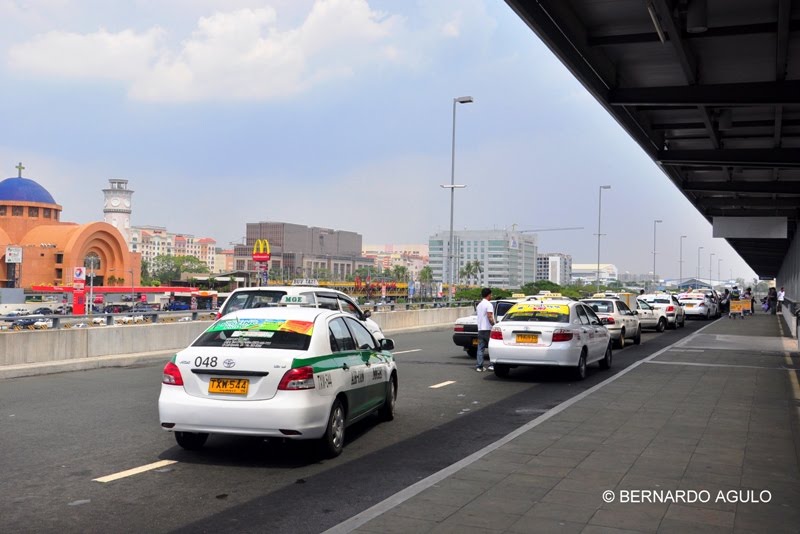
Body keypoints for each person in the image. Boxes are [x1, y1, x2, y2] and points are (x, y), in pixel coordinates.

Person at [475, 287, 495, 372]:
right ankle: (492, 365)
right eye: (491, 294)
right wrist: (494, 324)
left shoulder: (479, 305)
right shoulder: (489, 304)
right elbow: (489, 316)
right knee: (492, 347)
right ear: (489, 295)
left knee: (480, 348)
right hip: (488, 329)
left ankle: (479, 366)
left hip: (480, 329)